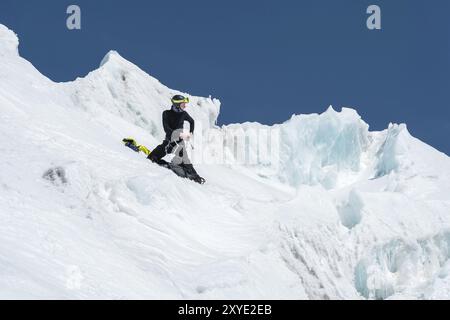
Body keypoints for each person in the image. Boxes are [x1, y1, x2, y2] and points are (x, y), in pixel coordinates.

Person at [147, 95, 205, 184]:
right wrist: (181, 134)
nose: (185, 106)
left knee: (186, 162)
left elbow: (192, 121)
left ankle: (193, 175)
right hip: (169, 142)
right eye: (183, 104)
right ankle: (167, 164)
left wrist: (190, 133)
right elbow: (167, 129)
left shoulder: (183, 114)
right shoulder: (166, 113)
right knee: (151, 158)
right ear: (177, 105)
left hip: (179, 144)